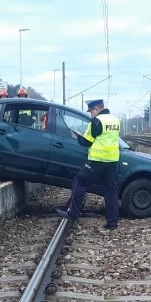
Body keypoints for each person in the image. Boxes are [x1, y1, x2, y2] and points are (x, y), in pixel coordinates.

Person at [56, 99, 121, 230]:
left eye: (91, 111)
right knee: (111, 191)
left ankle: (72, 213)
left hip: (97, 160)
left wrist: (78, 137)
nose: (91, 114)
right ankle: (112, 223)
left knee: (79, 182)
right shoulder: (115, 120)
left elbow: (87, 142)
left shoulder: (96, 121)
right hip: (112, 160)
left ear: (96, 109)